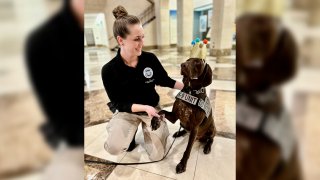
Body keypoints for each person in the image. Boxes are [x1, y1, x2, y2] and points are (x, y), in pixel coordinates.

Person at [102, 6, 183, 160]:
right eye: (137, 39)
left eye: (143, 37)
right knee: (115, 148)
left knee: (157, 155)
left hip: (152, 109)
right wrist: (144, 107)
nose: (142, 43)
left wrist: (187, 88)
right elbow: (119, 103)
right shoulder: (108, 70)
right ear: (121, 40)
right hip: (127, 111)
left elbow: (164, 80)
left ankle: (148, 132)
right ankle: (125, 133)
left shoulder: (150, 59)